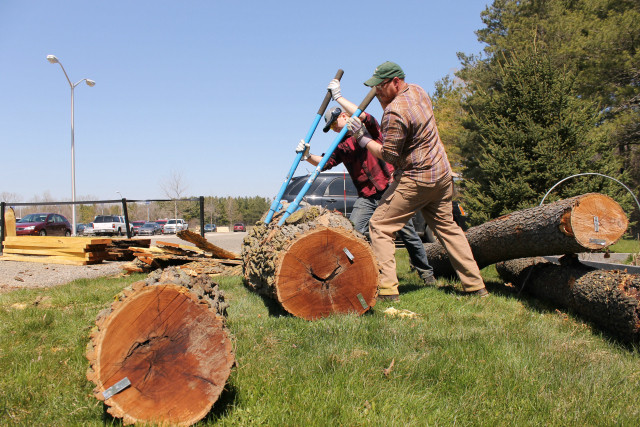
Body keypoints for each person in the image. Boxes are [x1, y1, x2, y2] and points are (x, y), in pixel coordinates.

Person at [346, 61, 487, 300]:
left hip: (417, 179)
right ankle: (475, 286)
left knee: (380, 226)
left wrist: (361, 137)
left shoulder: (394, 112)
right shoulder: (419, 91)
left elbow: (390, 155)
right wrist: (383, 99)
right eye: (374, 87)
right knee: (448, 229)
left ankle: (388, 291)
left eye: (381, 86)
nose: (377, 91)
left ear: (396, 82)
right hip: (441, 175)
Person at [295, 81, 436, 285]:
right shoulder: (341, 145)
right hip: (367, 196)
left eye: (335, 123)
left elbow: (363, 114)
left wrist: (339, 98)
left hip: (389, 188)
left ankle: (427, 275)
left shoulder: (369, 129)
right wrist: (307, 156)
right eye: (331, 128)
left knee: (408, 233)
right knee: (354, 233)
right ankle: (358, 272)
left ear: (344, 116)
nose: (334, 129)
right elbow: (325, 163)